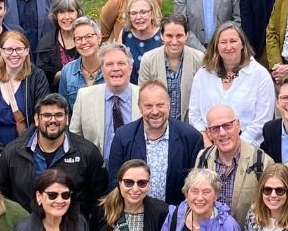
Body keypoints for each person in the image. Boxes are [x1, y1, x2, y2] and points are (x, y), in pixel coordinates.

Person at [0, 93, 108, 217]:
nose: (53, 120)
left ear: (67, 119)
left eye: (59, 115)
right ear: (36, 119)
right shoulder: (13, 152)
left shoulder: (88, 152)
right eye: (47, 115)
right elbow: (1, 196)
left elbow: (99, 200)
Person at [106, 76, 202, 206]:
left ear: (169, 105)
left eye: (160, 105)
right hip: (136, 212)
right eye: (148, 106)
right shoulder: (123, 137)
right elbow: (115, 182)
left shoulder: (191, 137)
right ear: (139, 107)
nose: (155, 111)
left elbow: (197, 183)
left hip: (176, 216)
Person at [188, 22, 276, 146]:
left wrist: (235, 146)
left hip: (248, 148)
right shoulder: (203, 74)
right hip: (208, 147)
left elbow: (262, 119)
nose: (228, 47)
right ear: (216, 46)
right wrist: (208, 144)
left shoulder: (260, 75)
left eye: (233, 41)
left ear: (242, 44)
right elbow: (194, 115)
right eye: (223, 42)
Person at [191, 103, 267, 228]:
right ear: (209, 133)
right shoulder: (202, 157)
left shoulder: (261, 161)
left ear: (238, 125)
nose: (222, 133)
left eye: (227, 126)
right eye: (215, 128)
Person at [0, 29, 50, 151]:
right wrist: (0, 151)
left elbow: (41, 114)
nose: (14, 54)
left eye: (19, 49)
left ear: (26, 51)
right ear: (1, 51)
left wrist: (23, 146)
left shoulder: (37, 77)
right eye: (9, 49)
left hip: (28, 146)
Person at [71, 40, 141, 156]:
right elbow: (75, 138)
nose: (115, 68)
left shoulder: (144, 96)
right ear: (102, 69)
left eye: (121, 63)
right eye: (109, 64)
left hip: (136, 168)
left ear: (130, 68)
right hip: (97, 169)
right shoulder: (84, 97)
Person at [139, 16, 202, 128]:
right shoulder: (148, 59)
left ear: (187, 35)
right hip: (157, 126)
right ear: (162, 36)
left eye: (179, 36)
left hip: (190, 127)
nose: (174, 41)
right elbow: (143, 96)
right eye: (169, 36)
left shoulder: (199, 59)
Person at [35, 0, 84, 90]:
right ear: (55, 15)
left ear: (78, 13)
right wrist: (59, 75)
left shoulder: (87, 38)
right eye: (61, 12)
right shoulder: (46, 44)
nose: (67, 17)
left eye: (70, 11)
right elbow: (41, 82)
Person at [58, 16, 105, 112]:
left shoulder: (112, 68)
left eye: (89, 36)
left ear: (99, 38)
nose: (84, 42)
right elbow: (64, 110)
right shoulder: (67, 71)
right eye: (78, 39)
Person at [118, 0, 163, 78]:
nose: (138, 17)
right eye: (134, 13)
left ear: (152, 13)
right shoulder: (125, 35)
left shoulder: (163, 35)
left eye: (143, 12)